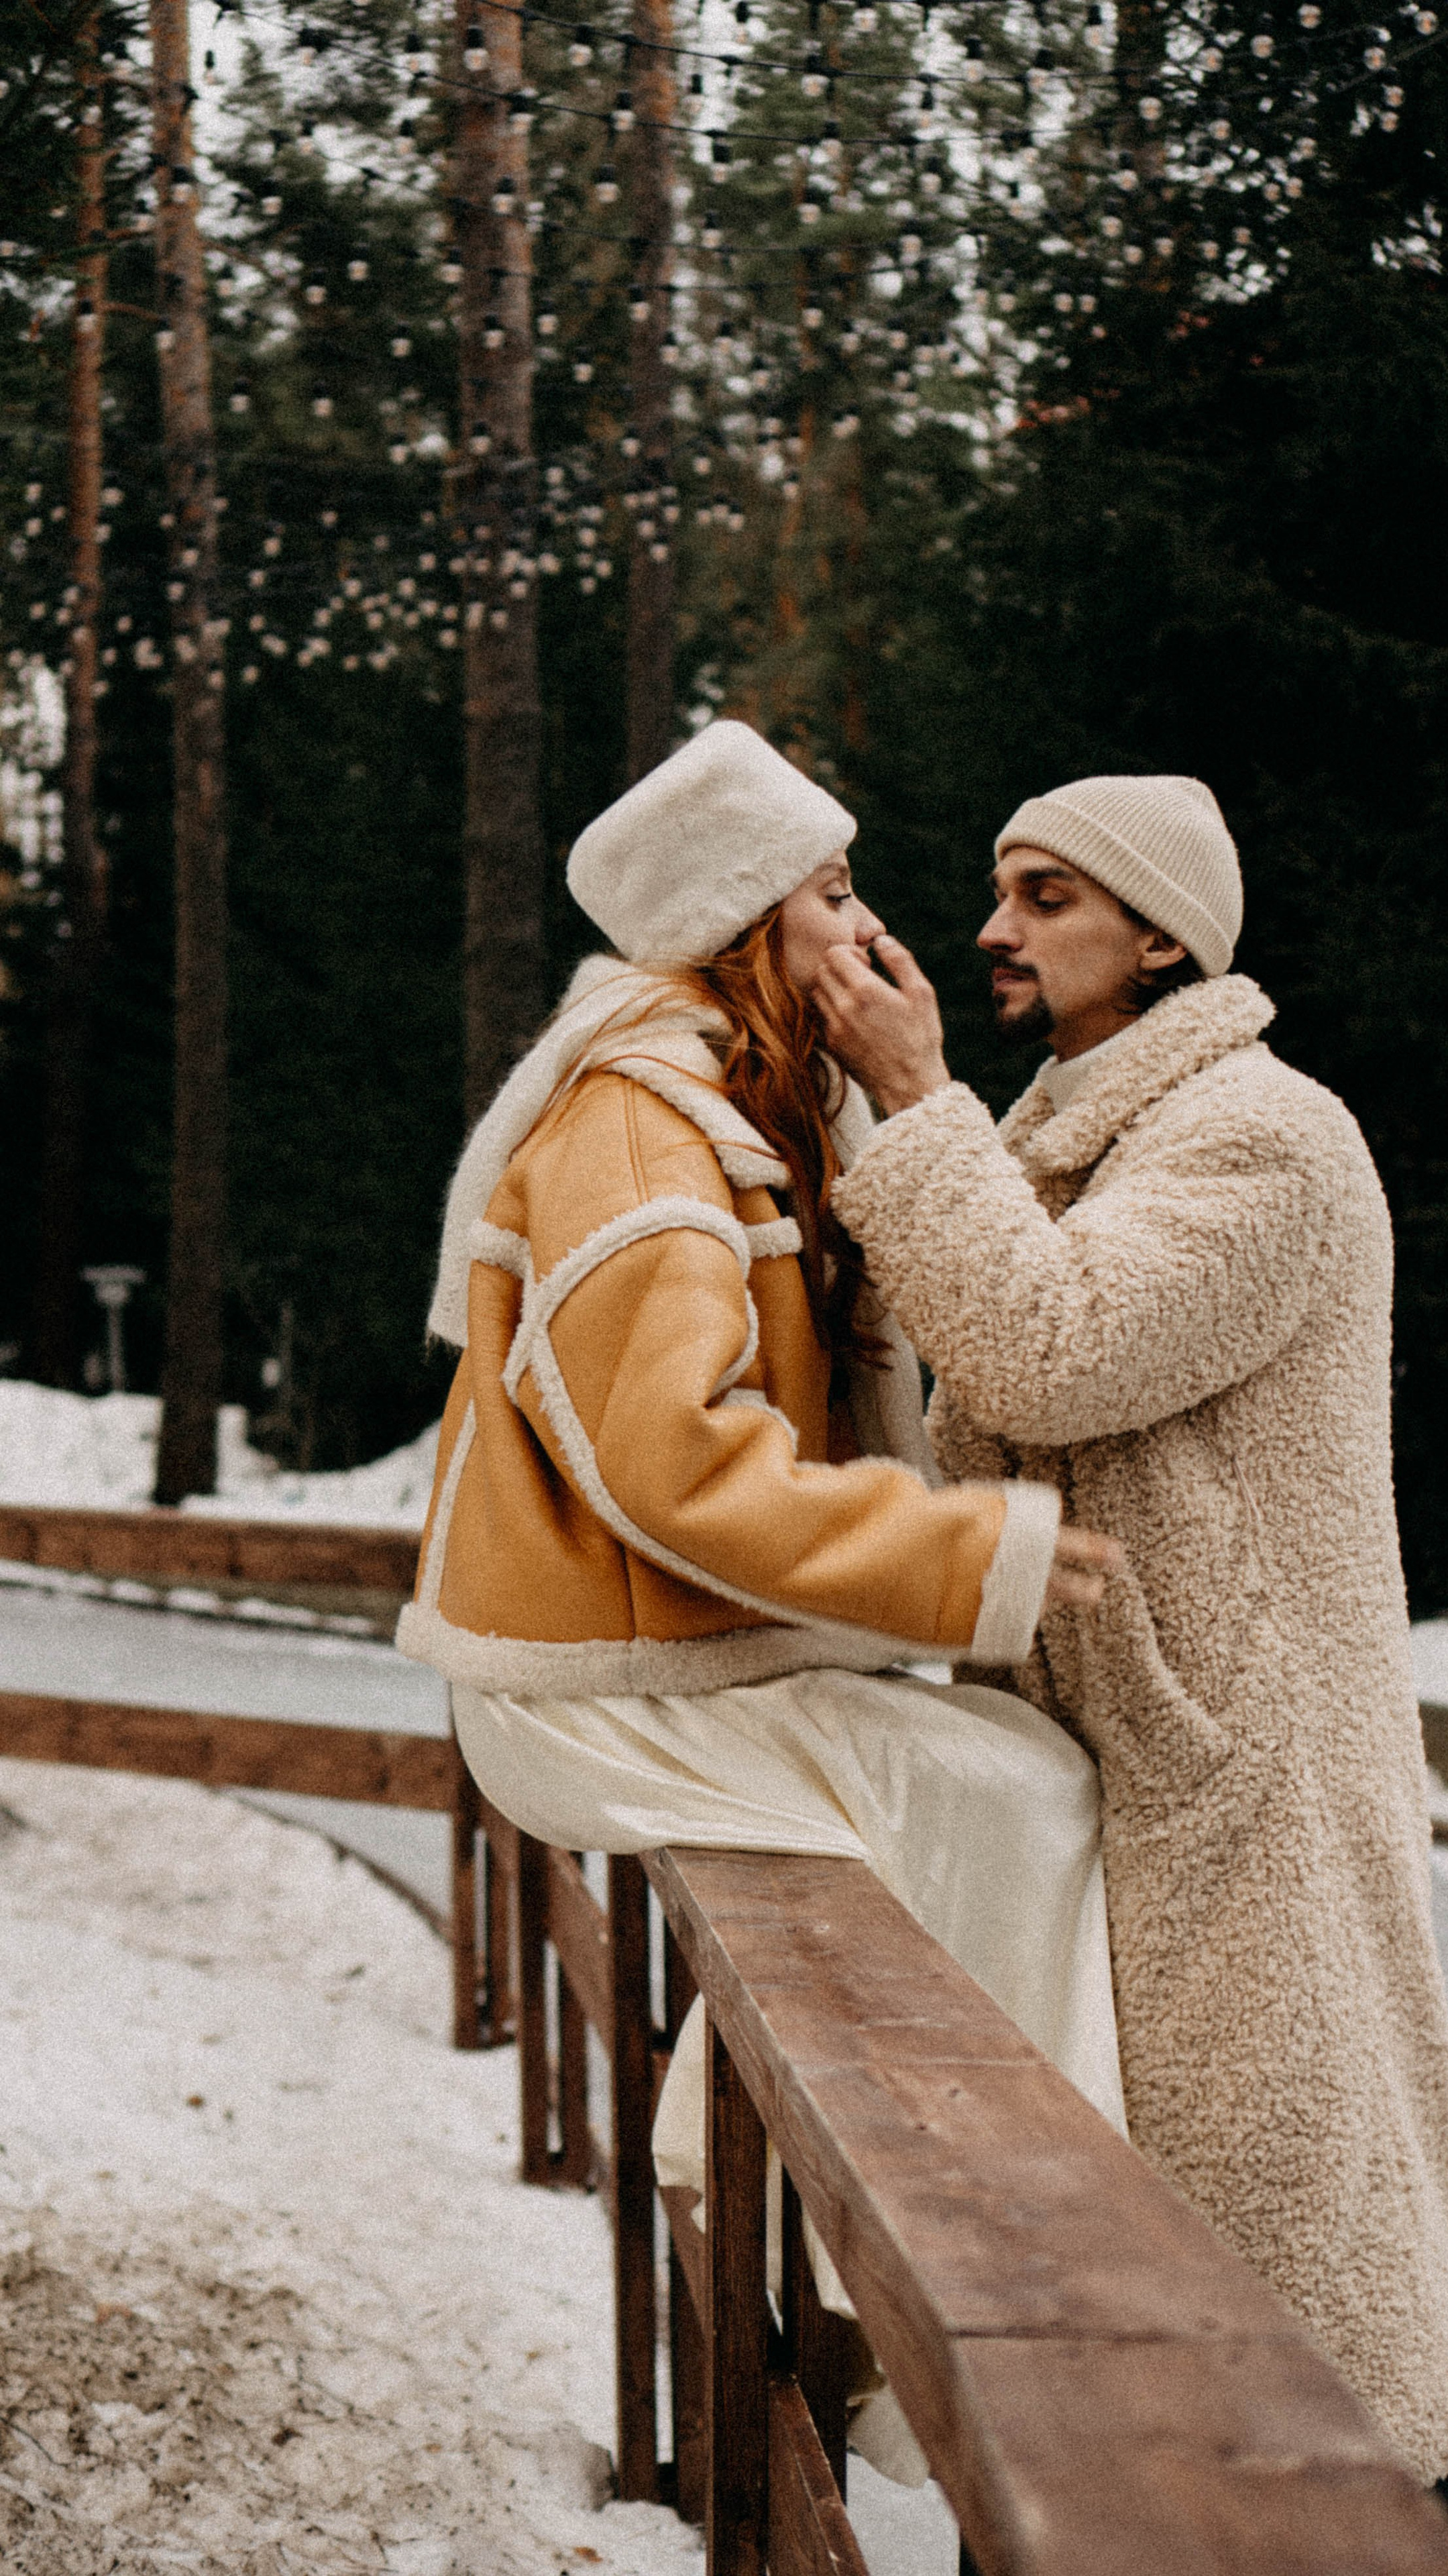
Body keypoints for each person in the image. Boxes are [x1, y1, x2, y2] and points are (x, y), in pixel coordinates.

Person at [396, 721, 1128, 2483]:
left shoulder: (729, 1103)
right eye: (832, 889)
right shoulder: (634, 1131)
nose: (868, 923)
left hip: (657, 1660)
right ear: (744, 921)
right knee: (1011, 1795)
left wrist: (906, 1091)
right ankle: (906, 2269)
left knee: (1005, 1780)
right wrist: (974, 1557)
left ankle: (856, 2231)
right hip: (581, 1689)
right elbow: (674, 1468)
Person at [812, 772, 1448, 2565]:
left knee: (1314, 2346)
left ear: (1162, 933)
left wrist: (908, 1096)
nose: (991, 932)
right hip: (1127, 1812)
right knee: (1132, 2340)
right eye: (997, 893)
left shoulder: (1263, 1137)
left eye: (1044, 897)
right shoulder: (1084, 1145)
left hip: (1240, 1822)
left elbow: (1050, 1350)